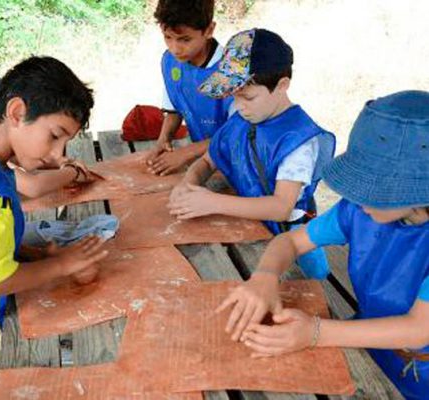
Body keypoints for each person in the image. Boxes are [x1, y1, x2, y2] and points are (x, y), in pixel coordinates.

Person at [217, 90, 429, 400]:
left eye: (376, 190)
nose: (359, 197)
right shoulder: (357, 209)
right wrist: (264, 276)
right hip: (366, 343)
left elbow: (418, 329)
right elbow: (290, 239)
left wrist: (316, 332)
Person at [0, 56, 108, 399]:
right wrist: (61, 265)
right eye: (55, 136)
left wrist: (36, 254)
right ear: (15, 112)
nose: (57, 152)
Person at [169, 28, 335, 278]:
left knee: (308, 289)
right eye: (234, 96)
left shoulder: (298, 142)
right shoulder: (242, 117)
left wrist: (211, 202)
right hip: (251, 227)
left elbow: (281, 207)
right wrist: (188, 185)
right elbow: (207, 160)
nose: (239, 105)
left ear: (282, 86)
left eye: (248, 96)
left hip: (290, 237)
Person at [0, 65, 95, 198]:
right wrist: (72, 172)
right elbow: (33, 186)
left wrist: (58, 162)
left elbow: (19, 159)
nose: (1, 116)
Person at [146, 0, 233, 176]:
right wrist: (163, 140)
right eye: (167, 37)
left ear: (209, 30)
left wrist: (186, 153)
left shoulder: (231, 72)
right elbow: (175, 109)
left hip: (236, 161)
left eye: (184, 39)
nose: (175, 48)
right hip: (204, 160)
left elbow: (237, 133)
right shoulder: (171, 62)